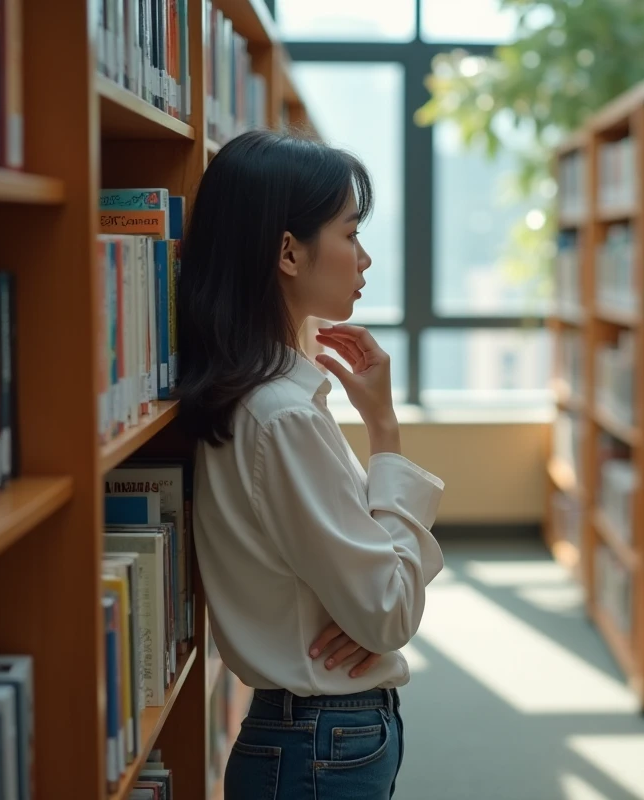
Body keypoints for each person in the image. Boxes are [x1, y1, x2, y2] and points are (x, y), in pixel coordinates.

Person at [176, 128, 445, 799]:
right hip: (323, 740)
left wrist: (371, 600)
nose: (364, 259)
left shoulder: (258, 397)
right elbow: (386, 611)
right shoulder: (283, 416)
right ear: (289, 252)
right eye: (350, 234)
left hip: (317, 733)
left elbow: (369, 595)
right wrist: (384, 431)